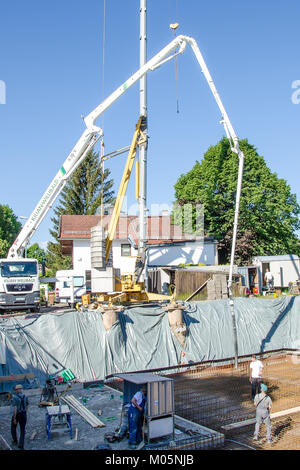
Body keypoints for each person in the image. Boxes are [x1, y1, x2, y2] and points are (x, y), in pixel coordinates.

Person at [11, 384, 29, 450]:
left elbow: (15, 408)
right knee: (22, 429)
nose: (16, 391)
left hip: (17, 414)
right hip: (23, 414)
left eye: (16, 390)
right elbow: (27, 405)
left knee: (13, 427)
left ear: (18, 390)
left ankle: (15, 440)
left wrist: (14, 418)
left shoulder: (15, 397)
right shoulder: (25, 396)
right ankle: (21, 444)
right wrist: (25, 412)